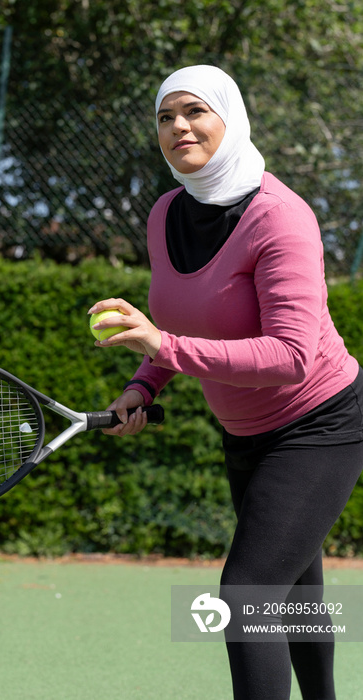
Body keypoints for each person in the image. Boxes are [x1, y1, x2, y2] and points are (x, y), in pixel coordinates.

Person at [88, 65, 363, 700]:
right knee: (293, 591)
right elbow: (180, 324)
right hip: (245, 431)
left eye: (195, 111)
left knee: (249, 595)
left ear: (229, 118)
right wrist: (144, 385)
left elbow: (292, 356)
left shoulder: (280, 217)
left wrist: (164, 347)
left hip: (320, 423)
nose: (179, 126)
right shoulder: (165, 214)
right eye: (165, 116)